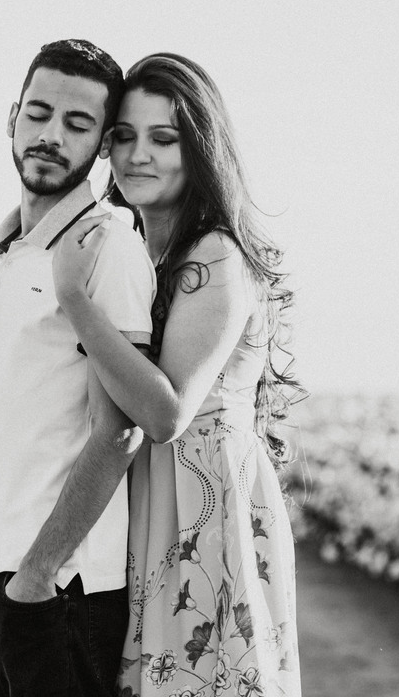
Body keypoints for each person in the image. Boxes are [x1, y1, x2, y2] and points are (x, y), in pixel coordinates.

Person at [50, 53, 303, 695]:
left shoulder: (214, 253)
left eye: (163, 139)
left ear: (200, 149)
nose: (139, 155)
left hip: (204, 503)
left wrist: (76, 300)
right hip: (154, 500)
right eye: (124, 136)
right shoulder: (138, 254)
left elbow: (166, 413)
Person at [0, 39, 157, 696]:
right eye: (38, 114)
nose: (50, 136)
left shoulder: (106, 245)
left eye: (77, 124)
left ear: (103, 145)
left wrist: (37, 573)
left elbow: (119, 429)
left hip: (60, 585)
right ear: (13, 118)